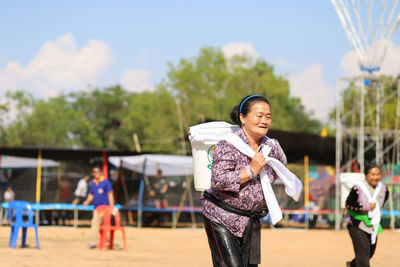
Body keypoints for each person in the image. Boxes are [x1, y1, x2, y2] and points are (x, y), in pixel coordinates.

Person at [202, 95, 288, 267]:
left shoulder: (272, 147)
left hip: (250, 221)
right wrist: (251, 171)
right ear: (243, 117)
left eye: (268, 116)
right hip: (221, 217)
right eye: (259, 115)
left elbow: (282, 166)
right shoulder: (228, 144)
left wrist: (262, 186)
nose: (264, 120)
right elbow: (218, 180)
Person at [345, 163, 389, 267]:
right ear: (366, 175)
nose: (375, 177)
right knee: (363, 253)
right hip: (356, 224)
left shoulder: (384, 189)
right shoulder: (358, 188)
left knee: (370, 252)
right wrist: (364, 207)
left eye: (378, 174)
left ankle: (352, 265)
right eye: (372, 174)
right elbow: (348, 204)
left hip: (373, 224)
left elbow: (381, 204)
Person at [83, 165, 114, 249]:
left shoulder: (106, 182)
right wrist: (87, 201)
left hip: (105, 208)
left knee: (95, 223)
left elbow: (110, 195)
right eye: (94, 172)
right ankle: (103, 239)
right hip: (96, 208)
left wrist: (111, 207)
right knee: (97, 224)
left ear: (101, 172)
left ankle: (94, 241)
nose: (95, 173)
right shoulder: (93, 183)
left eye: (97, 171)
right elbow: (91, 195)